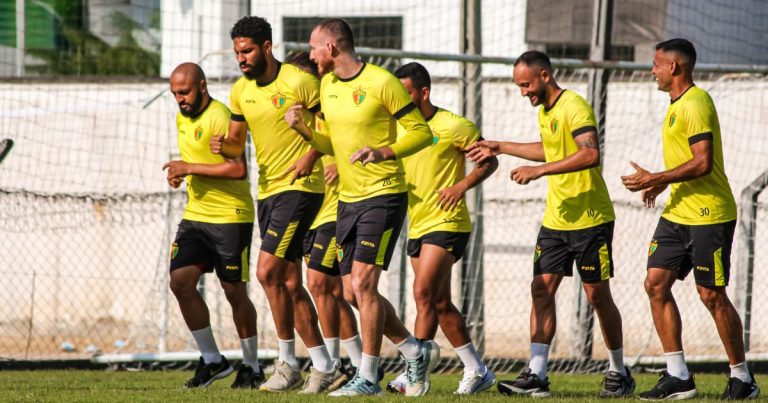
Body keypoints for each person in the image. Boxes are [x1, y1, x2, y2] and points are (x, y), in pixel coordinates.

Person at [285, 18, 439, 397]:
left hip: (383, 195)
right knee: (352, 292)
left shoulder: (381, 83)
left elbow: (422, 132)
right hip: (348, 201)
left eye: (313, 47)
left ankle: (367, 376)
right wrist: (304, 130)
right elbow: (332, 146)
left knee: (365, 283)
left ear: (332, 48)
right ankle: (414, 350)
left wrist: (383, 151)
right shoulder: (328, 85)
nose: (310, 54)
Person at [467, 50, 633, 398]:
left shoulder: (574, 106)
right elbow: (550, 148)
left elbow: (589, 153)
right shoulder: (546, 110)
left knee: (597, 295)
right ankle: (537, 373)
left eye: (526, 84)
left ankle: (619, 371)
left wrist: (538, 172)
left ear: (544, 75)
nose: (523, 92)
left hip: (591, 219)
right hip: (556, 219)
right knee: (541, 289)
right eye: (519, 86)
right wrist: (501, 146)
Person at [210, 16, 343, 394]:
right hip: (267, 192)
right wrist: (225, 147)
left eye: (247, 50)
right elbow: (237, 144)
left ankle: (288, 363)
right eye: (237, 52)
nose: (242, 58)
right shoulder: (240, 91)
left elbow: (329, 129)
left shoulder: (301, 82)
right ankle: (319, 364)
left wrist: (311, 156)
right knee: (287, 282)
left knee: (266, 272)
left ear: (267, 47)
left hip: (302, 188)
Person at [621, 38, 759, 400]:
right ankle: (678, 375)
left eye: (655, 64)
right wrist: (660, 183)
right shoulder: (675, 104)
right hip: (677, 213)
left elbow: (703, 162)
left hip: (709, 214)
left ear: (674, 67)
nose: (651, 70)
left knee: (711, 294)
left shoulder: (696, 103)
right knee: (655, 284)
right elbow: (687, 161)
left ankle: (742, 378)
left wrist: (656, 178)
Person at [383, 62, 497, 395]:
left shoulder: (452, 125)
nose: (399, 102)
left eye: (405, 94)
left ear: (423, 93)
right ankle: (477, 370)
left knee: (422, 293)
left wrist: (460, 187)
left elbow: (489, 159)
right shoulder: (399, 129)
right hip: (418, 224)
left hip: (448, 222)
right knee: (440, 303)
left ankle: (413, 372)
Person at [164, 62, 263, 389]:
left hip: (231, 216)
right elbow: (195, 161)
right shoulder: (182, 116)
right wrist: (179, 174)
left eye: (185, 92)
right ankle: (212, 360)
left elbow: (238, 170)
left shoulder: (221, 116)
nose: (180, 99)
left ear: (202, 86)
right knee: (180, 282)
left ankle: (251, 366)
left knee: (234, 291)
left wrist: (189, 166)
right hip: (197, 215)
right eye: (175, 94)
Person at [286, 51, 365, 383]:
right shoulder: (292, 115)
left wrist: (325, 156)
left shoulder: (329, 106)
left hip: (335, 209)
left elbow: (349, 137)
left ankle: (331, 365)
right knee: (333, 292)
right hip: (308, 211)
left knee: (320, 284)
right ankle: (357, 364)